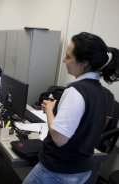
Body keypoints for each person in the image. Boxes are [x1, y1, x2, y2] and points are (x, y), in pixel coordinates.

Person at [23, 32, 119, 184]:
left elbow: (59, 138)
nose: (64, 61)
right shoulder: (103, 93)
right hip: (81, 169)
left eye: (68, 57)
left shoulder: (75, 91)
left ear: (84, 63)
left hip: (57, 170)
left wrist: (49, 111)